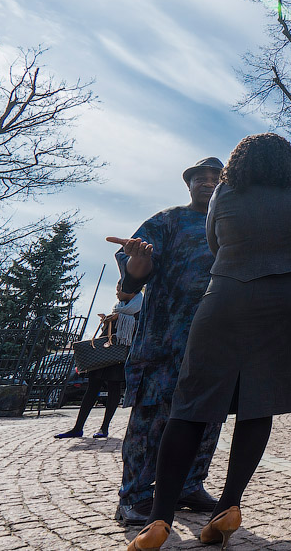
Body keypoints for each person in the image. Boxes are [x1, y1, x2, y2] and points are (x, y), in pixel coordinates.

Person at [125, 133, 291, 551]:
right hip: (278, 312)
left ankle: (159, 518)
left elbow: (214, 244)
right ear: (286, 165)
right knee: (257, 407)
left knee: (188, 408)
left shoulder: (224, 194)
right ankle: (228, 506)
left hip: (221, 300)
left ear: (239, 163)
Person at [107, 157, 225, 526]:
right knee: (152, 418)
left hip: (214, 339)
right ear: (188, 185)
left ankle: (189, 485)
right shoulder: (168, 220)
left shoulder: (230, 225)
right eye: (200, 178)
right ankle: (135, 496)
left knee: (207, 418)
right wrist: (137, 264)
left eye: (215, 178)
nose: (207, 183)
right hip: (164, 340)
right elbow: (133, 273)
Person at [53, 284, 141, 440]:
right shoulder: (118, 307)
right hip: (104, 353)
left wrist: (120, 318)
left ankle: (104, 428)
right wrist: (109, 320)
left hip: (119, 355)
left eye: (119, 289)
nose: (116, 292)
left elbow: (139, 331)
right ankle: (77, 427)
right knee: (91, 389)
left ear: (131, 291)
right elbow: (104, 332)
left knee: (114, 389)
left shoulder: (140, 308)